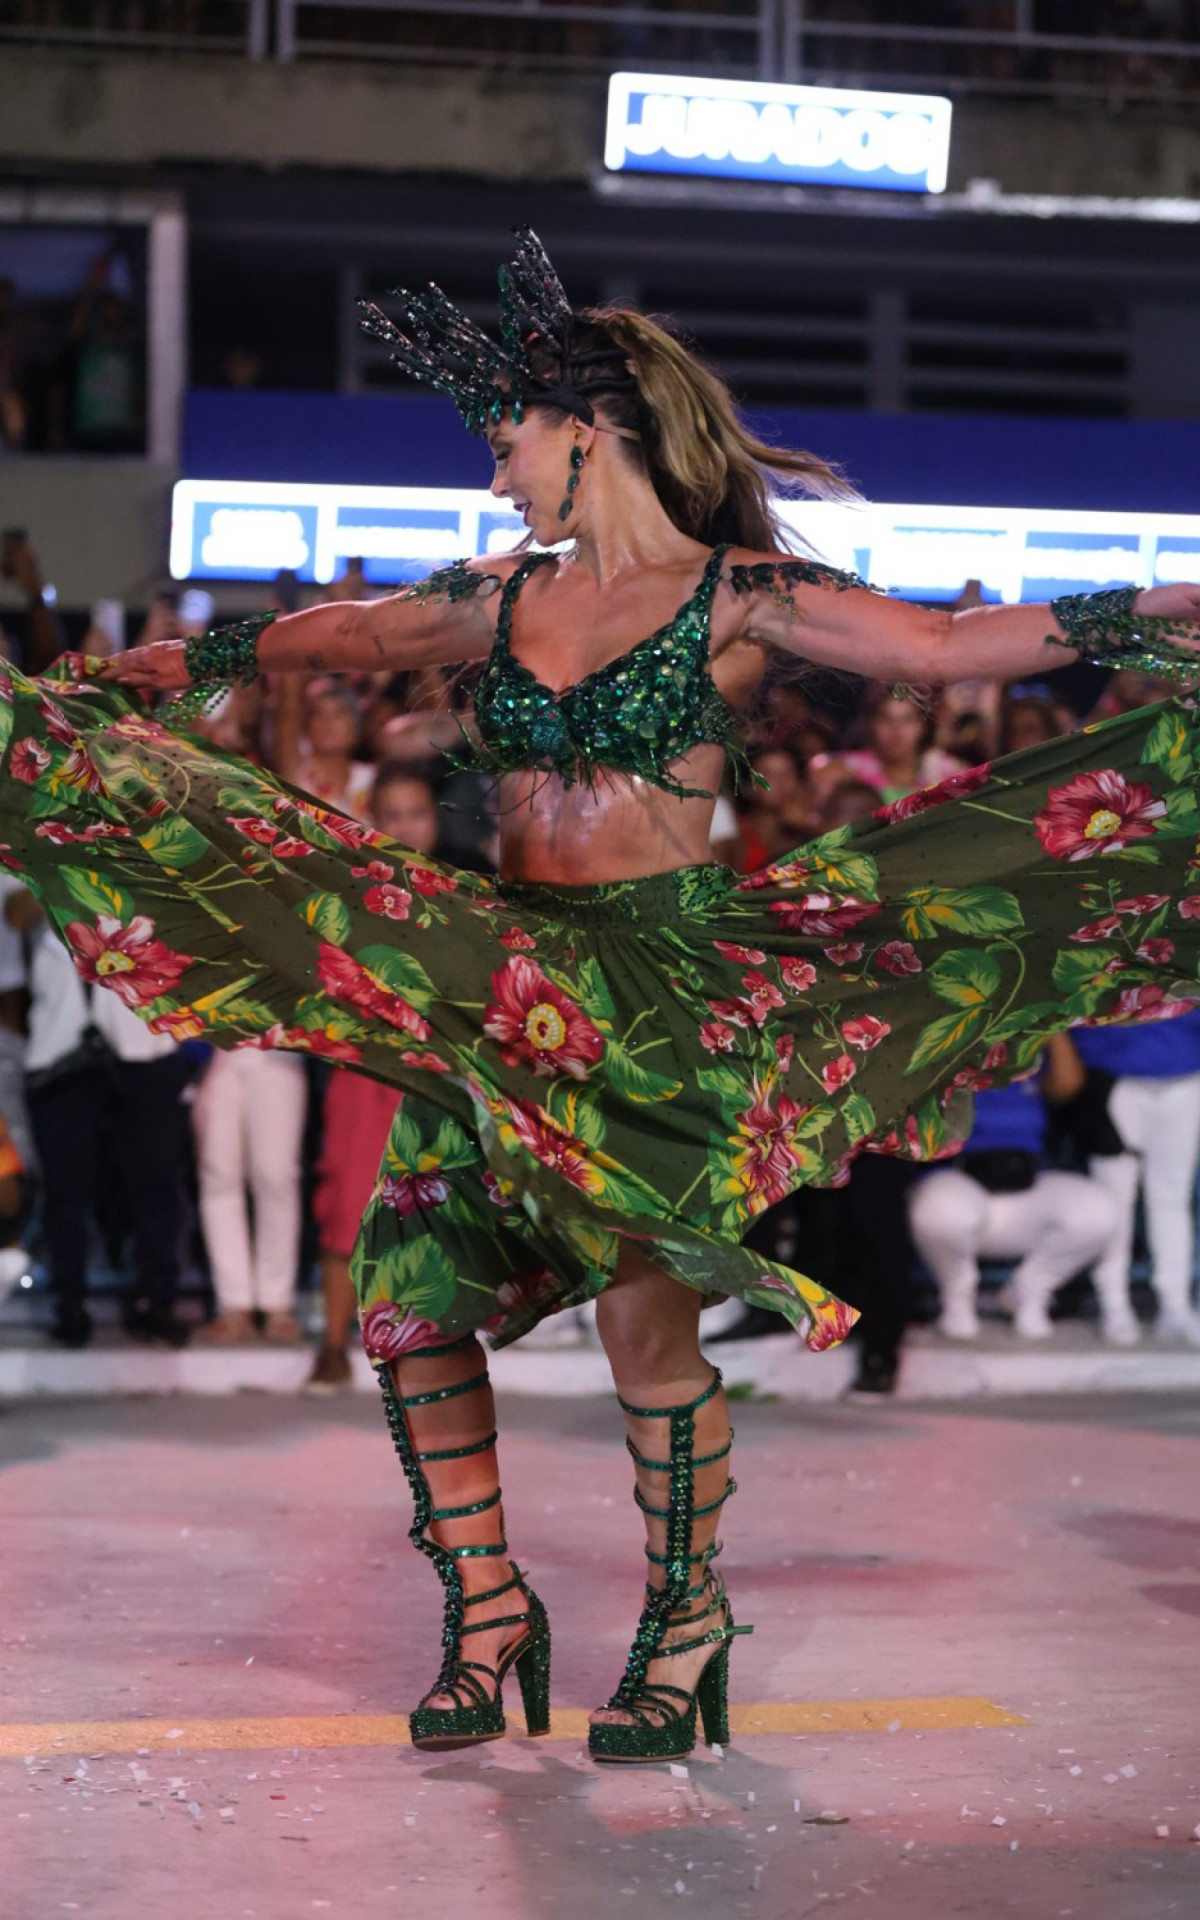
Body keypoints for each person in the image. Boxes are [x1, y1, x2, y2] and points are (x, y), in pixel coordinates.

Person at [2, 229, 1200, 1765]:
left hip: (650, 994)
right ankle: (489, 1611)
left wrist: (1167, 604)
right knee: (411, 1308)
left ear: (588, 428)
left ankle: (685, 1623)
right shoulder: (503, 596)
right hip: (508, 988)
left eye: (506, 443)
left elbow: (943, 646)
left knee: (647, 1331)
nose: (496, 475)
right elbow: (346, 634)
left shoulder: (739, 595)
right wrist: (175, 665)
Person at [907, 1035, 1118, 1342]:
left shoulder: (1028, 1040)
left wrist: (1053, 1024)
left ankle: (1026, 1291)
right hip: (961, 1179)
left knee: (1100, 1210)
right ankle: (956, 1298)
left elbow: (1068, 1087)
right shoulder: (954, 1036)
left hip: (1026, 1183)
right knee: (938, 1209)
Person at [1069, 1010, 1200, 1345]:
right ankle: (1113, 1304)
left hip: (1184, 1073)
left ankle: (1175, 1304)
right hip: (1112, 1074)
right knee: (1114, 1196)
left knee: (1172, 1197)